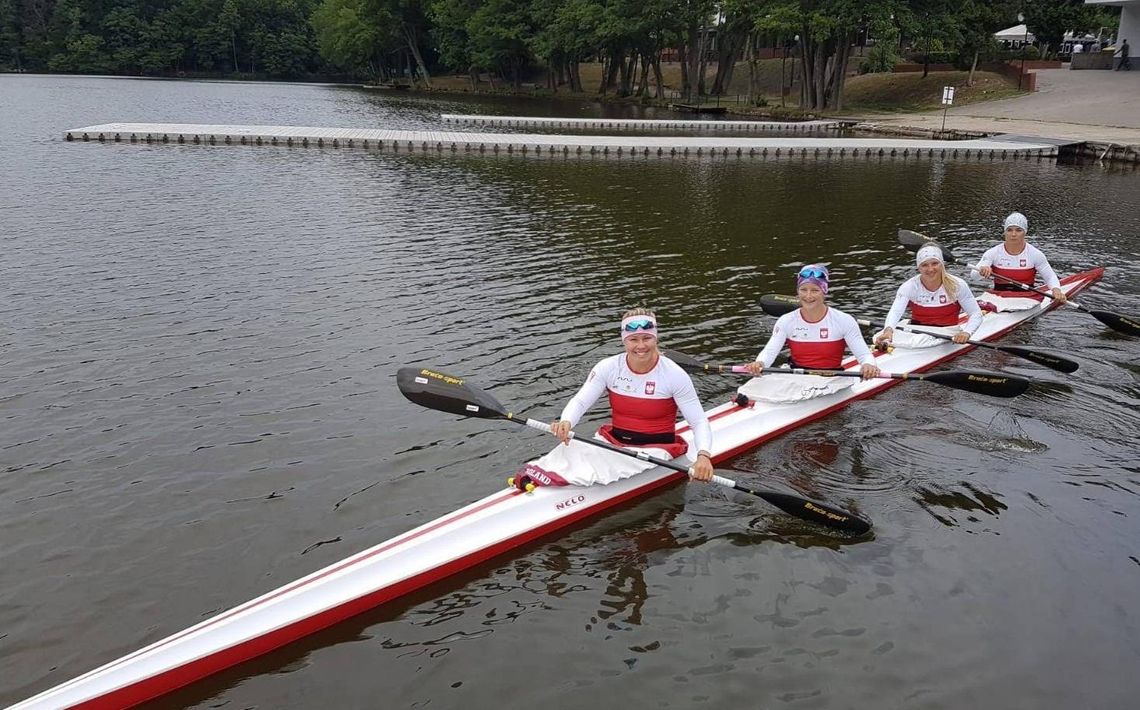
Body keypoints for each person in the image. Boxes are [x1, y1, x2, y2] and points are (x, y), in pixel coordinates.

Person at [512, 308, 714, 489]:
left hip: (656, 450)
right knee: (564, 452)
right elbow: (581, 401)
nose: (641, 346)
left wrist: (703, 455)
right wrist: (567, 421)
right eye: (634, 339)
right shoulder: (608, 367)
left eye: (647, 338)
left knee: (583, 466)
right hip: (613, 441)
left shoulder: (674, 374)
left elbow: (697, 421)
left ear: (656, 339)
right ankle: (543, 478)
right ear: (624, 340)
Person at [740, 265, 880, 403]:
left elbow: (864, 355)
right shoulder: (786, 321)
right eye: (803, 290)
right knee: (747, 389)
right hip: (796, 375)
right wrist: (759, 363)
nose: (808, 296)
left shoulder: (844, 321)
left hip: (830, 378)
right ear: (797, 292)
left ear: (824, 291)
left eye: (815, 290)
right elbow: (769, 352)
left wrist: (868, 365)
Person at [874, 243, 983, 349]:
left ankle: (894, 345)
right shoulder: (909, 286)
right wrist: (888, 330)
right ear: (919, 268)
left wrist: (966, 333)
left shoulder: (958, 285)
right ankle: (888, 341)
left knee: (918, 341)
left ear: (942, 264)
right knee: (878, 336)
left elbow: (975, 314)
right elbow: (895, 311)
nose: (930, 269)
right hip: (917, 330)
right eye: (924, 265)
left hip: (947, 331)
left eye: (935, 263)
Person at [976, 212, 1066, 311]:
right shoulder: (993, 253)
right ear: (1004, 232)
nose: (1013, 234)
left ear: (1025, 232)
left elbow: (1050, 277)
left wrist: (1056, 290)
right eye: (1009, 230)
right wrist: (982, 270)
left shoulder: (1035, 254)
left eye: (1018, 230)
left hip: (1026, 298)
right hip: (998, 296)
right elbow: (974, 276)